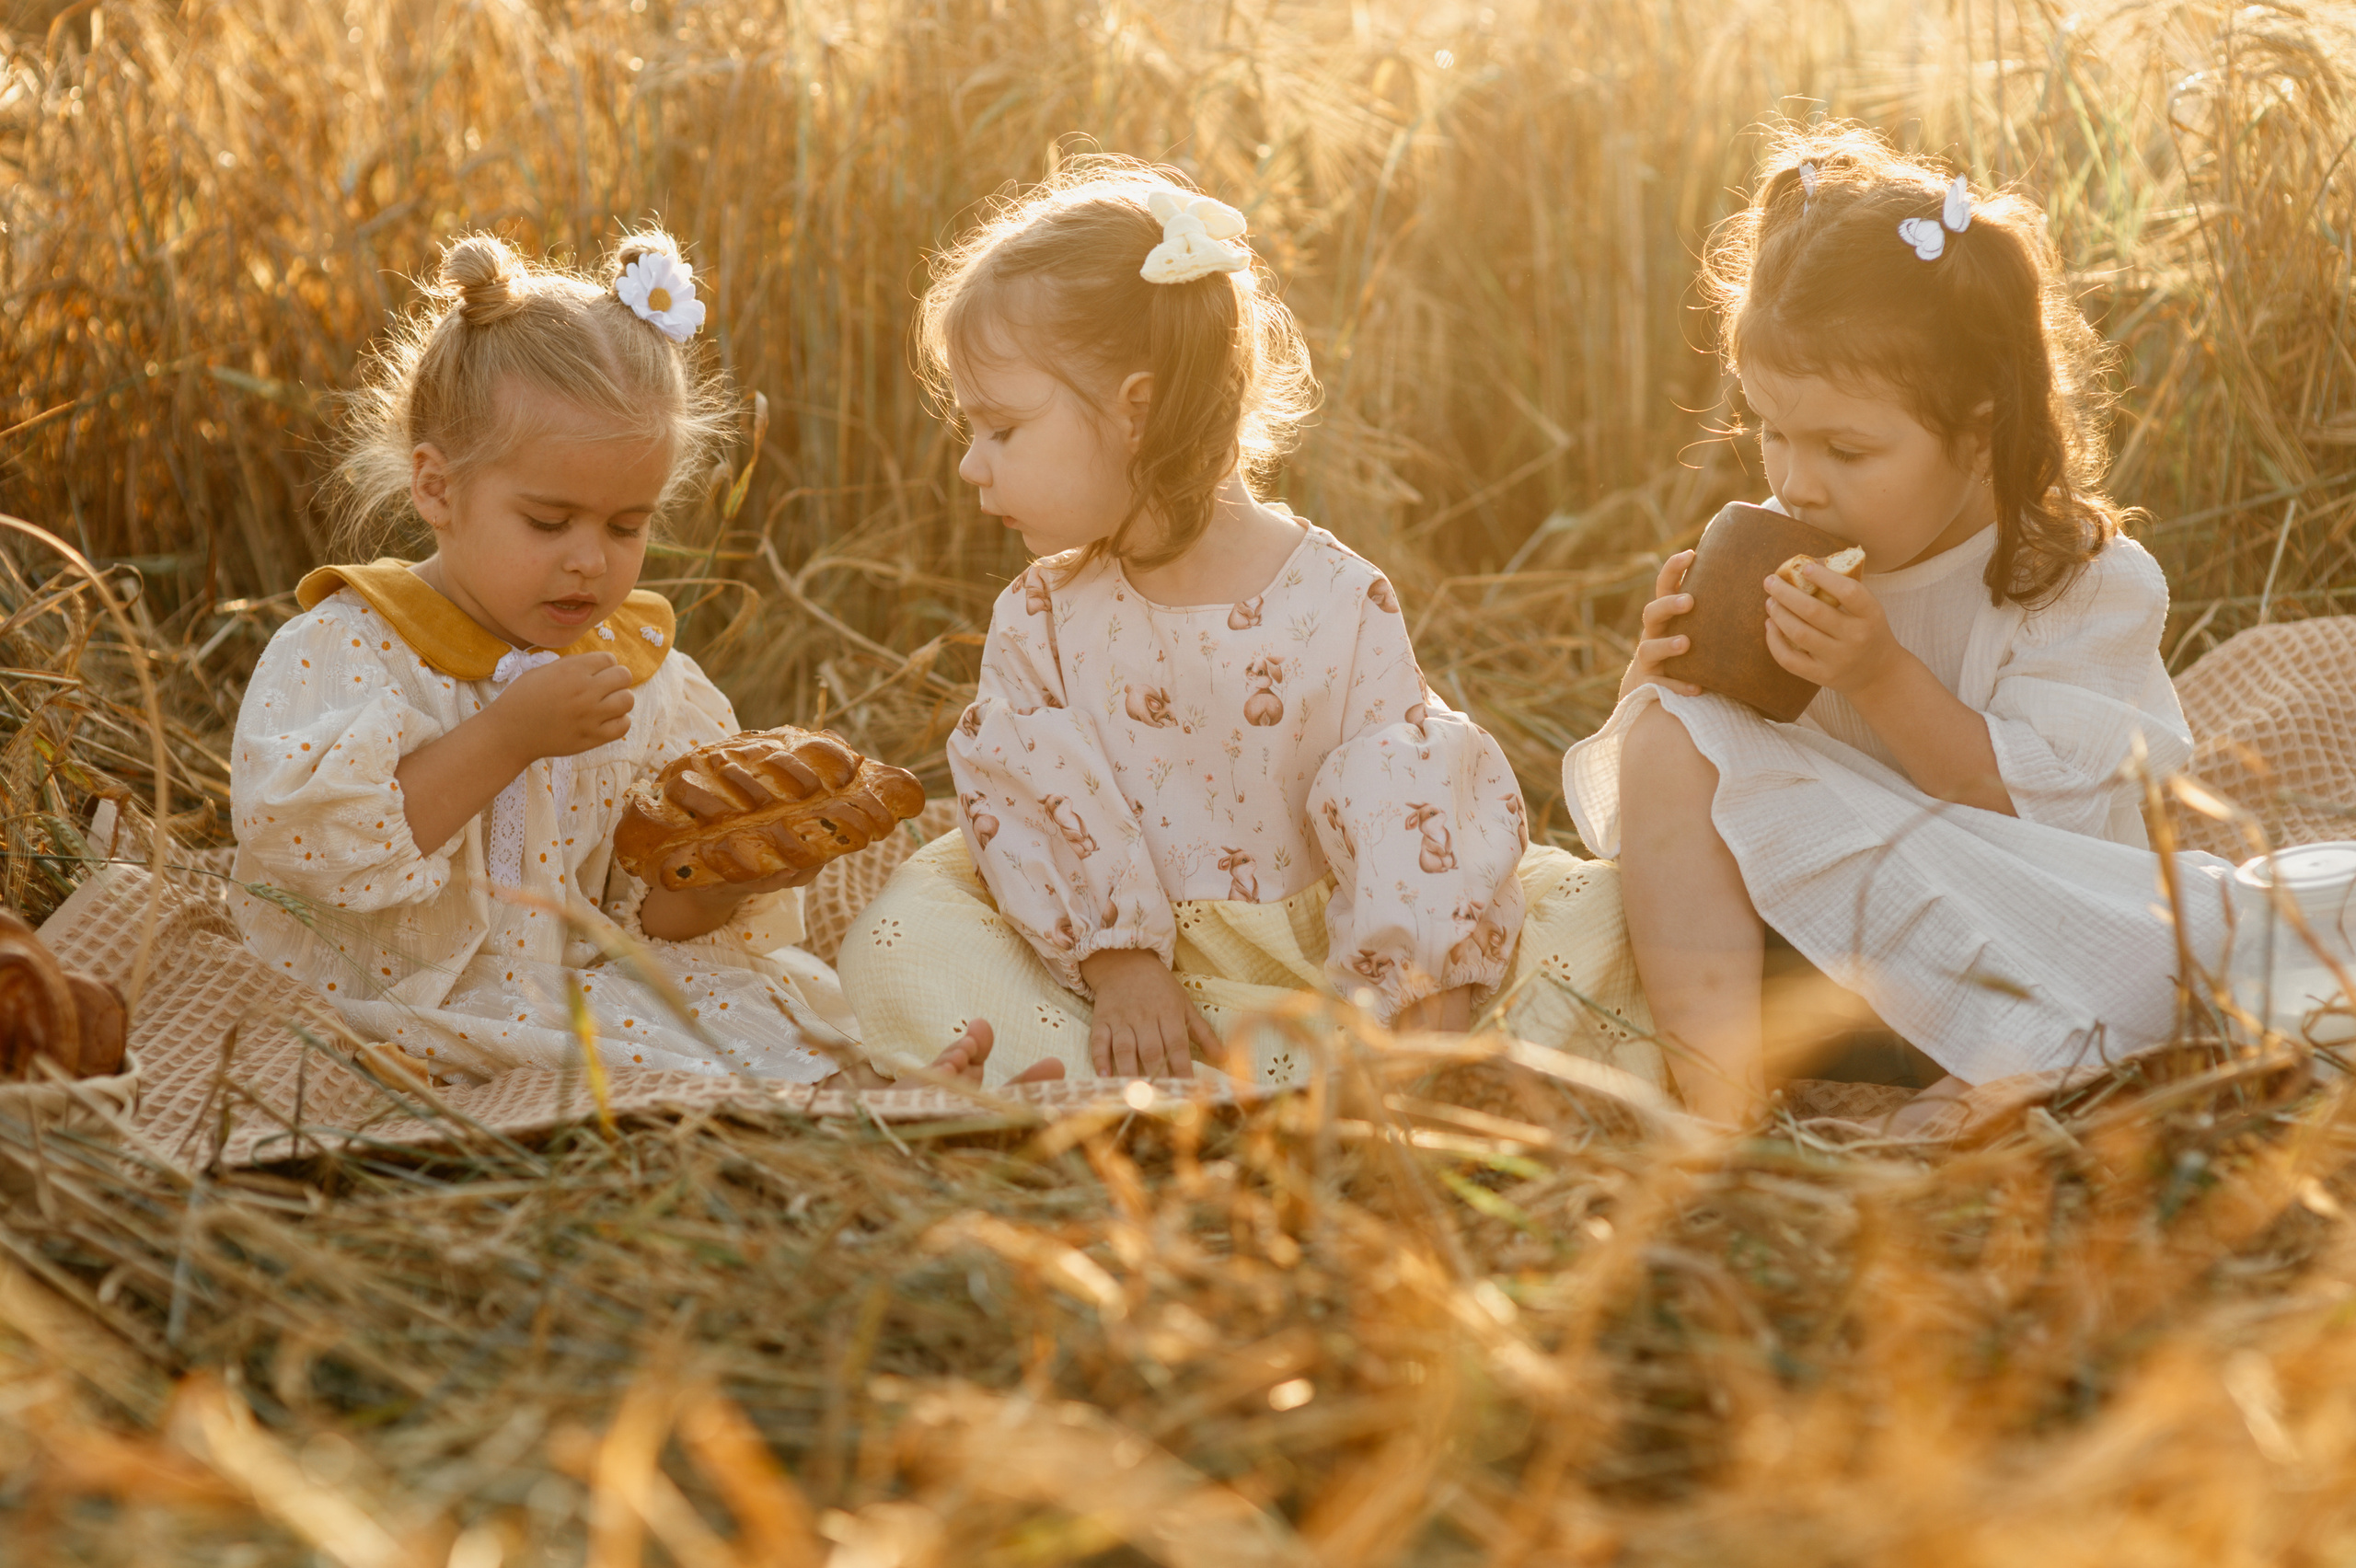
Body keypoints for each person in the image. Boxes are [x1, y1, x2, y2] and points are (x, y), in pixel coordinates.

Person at [838, 159, 1658, 1089]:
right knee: (905, 932)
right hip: (1121, 982)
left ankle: (1372, 1067)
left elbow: (1408, 798)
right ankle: (1130, 1069)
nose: (969, 467)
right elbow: (1035, 801)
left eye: (1001, 430)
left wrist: (1417, 998)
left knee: (1606, 921)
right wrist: (1123, 969)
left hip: (1336, 968)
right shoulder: (1041, 617)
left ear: (1134, 412)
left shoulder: (1336, 600)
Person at [229, 230, 1052, 1090]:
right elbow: (314, 853)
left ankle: (903, 1085)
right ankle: (866, 1098)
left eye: (628, 526)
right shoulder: (356, 646)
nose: (591, 559)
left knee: (744, 1001)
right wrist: (508, 737)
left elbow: (649, 914)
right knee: (631, 1045)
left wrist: (726, 881)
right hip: (384, 989)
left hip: (573, 979)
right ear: (437, 488)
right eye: (550, 523)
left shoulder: (638, 672)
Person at [1565, 127, 2235, 1125]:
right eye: (1773, 432)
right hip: (1811, 959)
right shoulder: (1794, 557)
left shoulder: (2081, 586)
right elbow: (1689, 795)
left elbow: (2037, 813)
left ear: (1979, 429)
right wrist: (1663, 679)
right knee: (1667, 736)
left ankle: (1991, 1098)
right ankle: (1715, 1106)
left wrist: (1879, 675)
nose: (1796, 481)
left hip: (2017, 939)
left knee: (2159, 977)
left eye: (1845, 447)